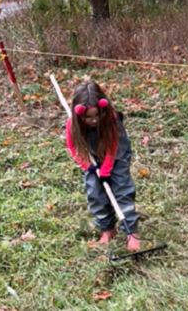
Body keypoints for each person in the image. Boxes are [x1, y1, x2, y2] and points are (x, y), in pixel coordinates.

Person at [66, 81, 140, 251]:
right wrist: (87, 166)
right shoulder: (73, 124)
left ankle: (131, 232)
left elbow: (112, 148)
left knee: (121, 188)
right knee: (95, 192)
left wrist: (106, 171)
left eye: (96, 115)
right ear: (79, 115)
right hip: (91, 158)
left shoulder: (110, 118)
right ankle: (107, 229)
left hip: (116, 154)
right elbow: (73, 147)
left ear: (103, 110)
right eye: (88, 117)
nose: (93, 120)